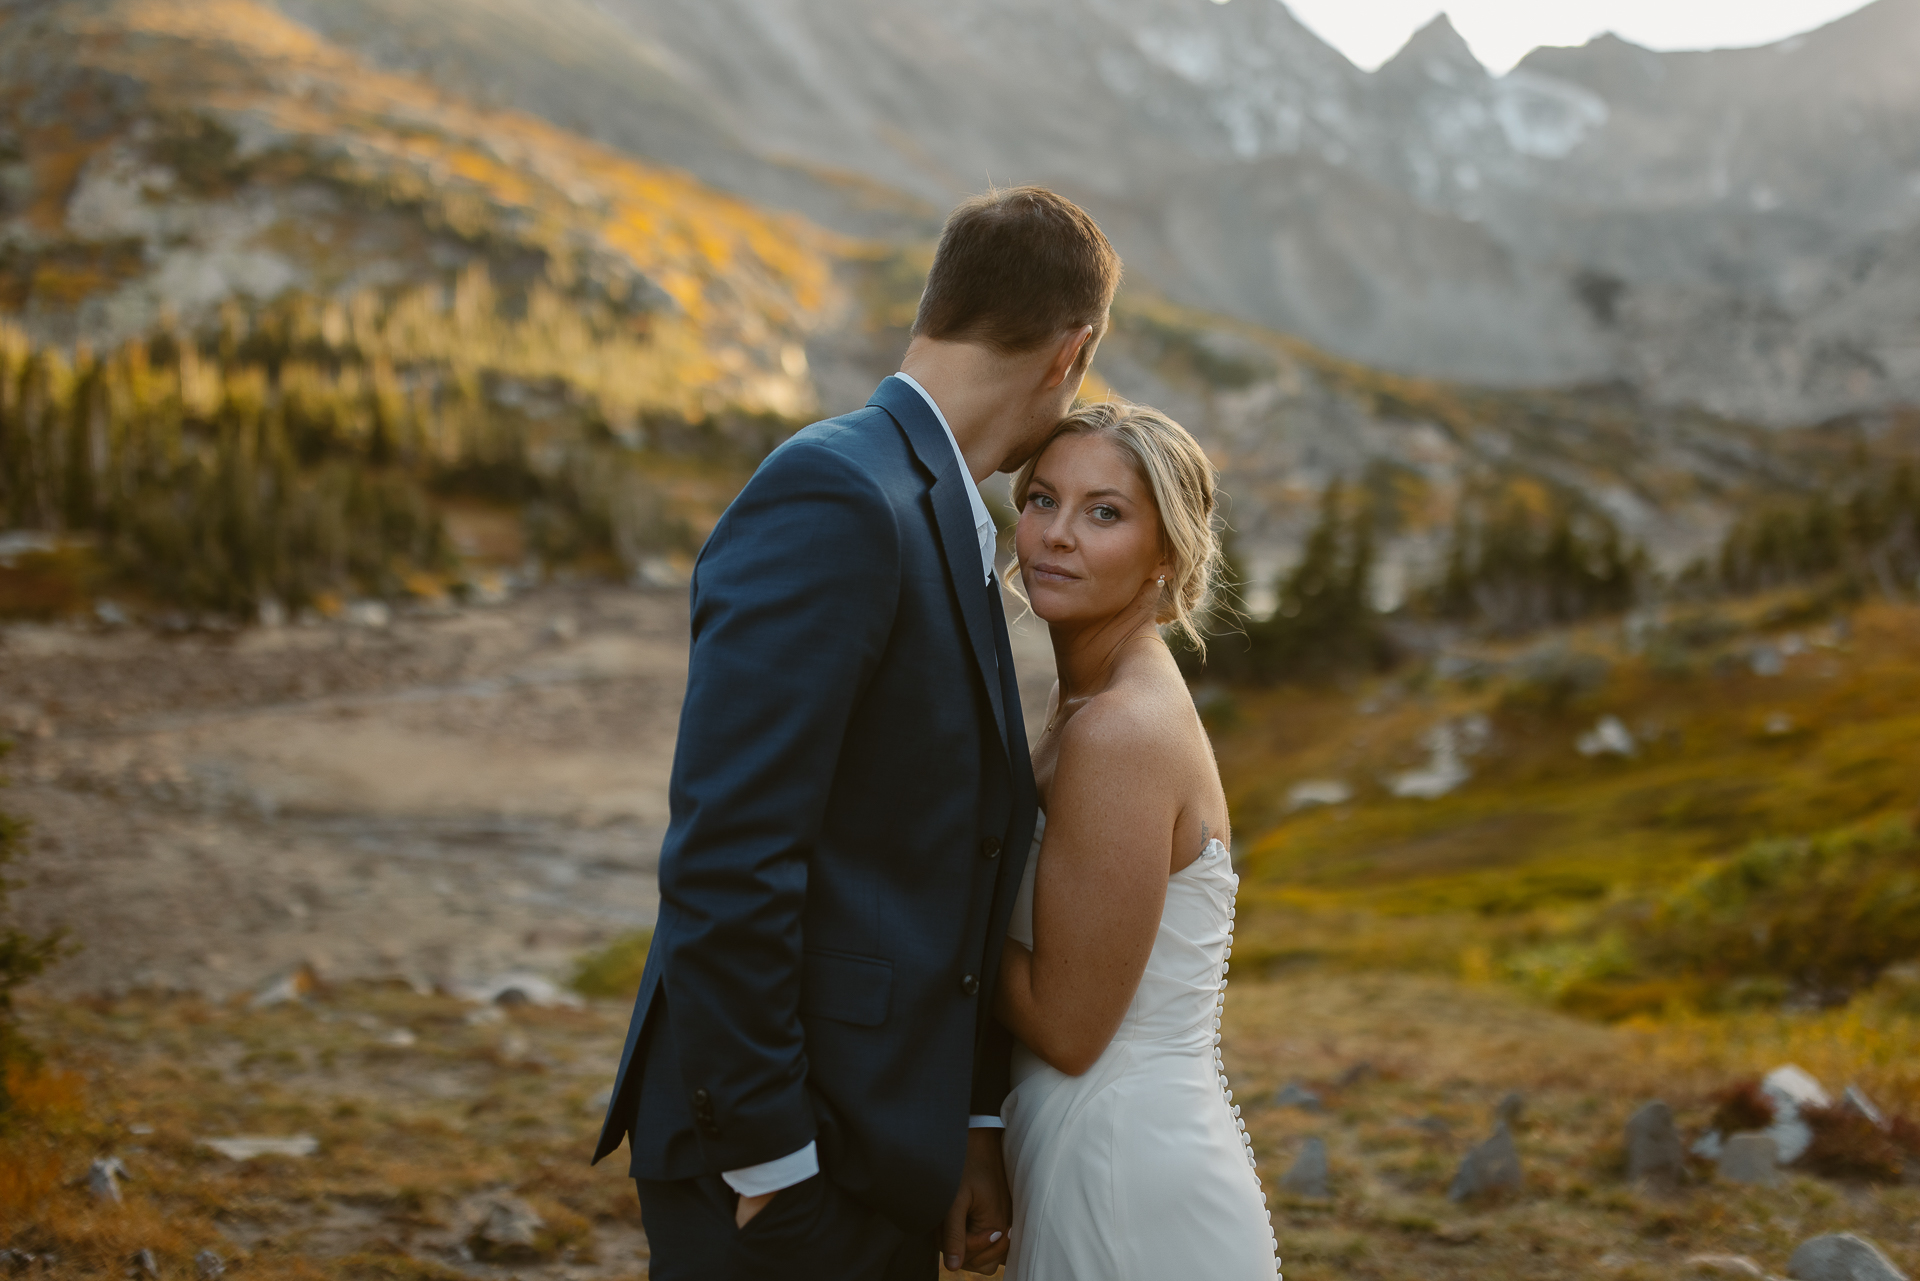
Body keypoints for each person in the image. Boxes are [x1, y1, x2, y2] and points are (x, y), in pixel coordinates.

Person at [590, 186, 1122, 1280]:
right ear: (1071, 354)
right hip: (785, 1155)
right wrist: (770, 1163)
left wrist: (968, 1124)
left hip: (878, 1138)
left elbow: (940, 852)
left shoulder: (938, 503)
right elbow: (728, 852)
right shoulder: (836, 492)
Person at [994, 402, 1281, 1278]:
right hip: (1090, 1132)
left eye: (1104, 512)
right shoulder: (1086, 698)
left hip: (1120, 1162)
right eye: (1043, 499)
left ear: (1168, 555)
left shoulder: (1120, 730)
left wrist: (914, 897)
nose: (1056, 535)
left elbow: (1068, 1023)